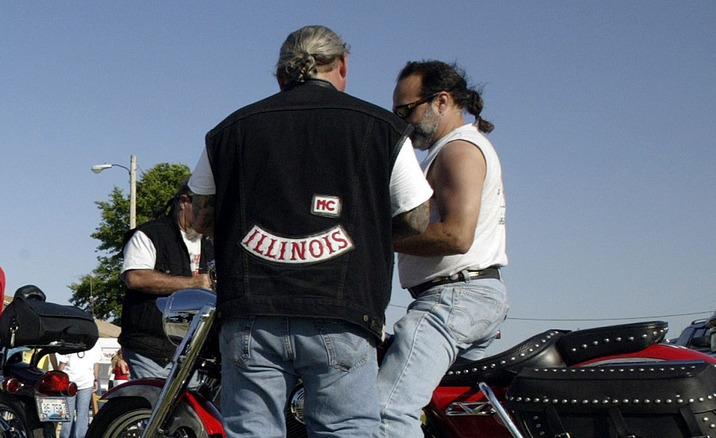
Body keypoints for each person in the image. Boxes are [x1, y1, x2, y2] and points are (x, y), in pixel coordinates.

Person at [188, 25, 432, 438]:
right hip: (342, 309)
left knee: (251, 431)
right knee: (346, 430)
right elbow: (416, 219)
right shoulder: (382, 129)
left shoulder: (229, 130)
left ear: (281, 75)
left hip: (251, 310)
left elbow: (200, 218)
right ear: (342, 65)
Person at [375, 61, 510, 438]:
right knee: (448, 417)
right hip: (469, 296)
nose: (401, 121)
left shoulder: (458, 150)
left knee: (387, 412)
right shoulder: (453, 149)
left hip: (454, 297)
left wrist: (375, 237)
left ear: (442, 101)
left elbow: (456, 236)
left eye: (406, 110)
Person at [118, 181, 214, 379]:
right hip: (151, 348)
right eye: (204, 206)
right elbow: (135, 277)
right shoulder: (150, 234)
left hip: (194, 352)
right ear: (184, 201)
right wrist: (193, 284)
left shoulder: (210, 243)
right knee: (154, 405)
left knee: (191, 410)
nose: (209, 214)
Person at [49, 344, 102, 438]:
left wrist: (58, 376)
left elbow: (63, 362)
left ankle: (66, 435)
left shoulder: (70, 341)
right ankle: (80, 436)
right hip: (86, 380)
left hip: (69, 381)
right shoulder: (94, 343)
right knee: (83, 413)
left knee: (67, 413)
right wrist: (96, 379)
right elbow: (96, 363)